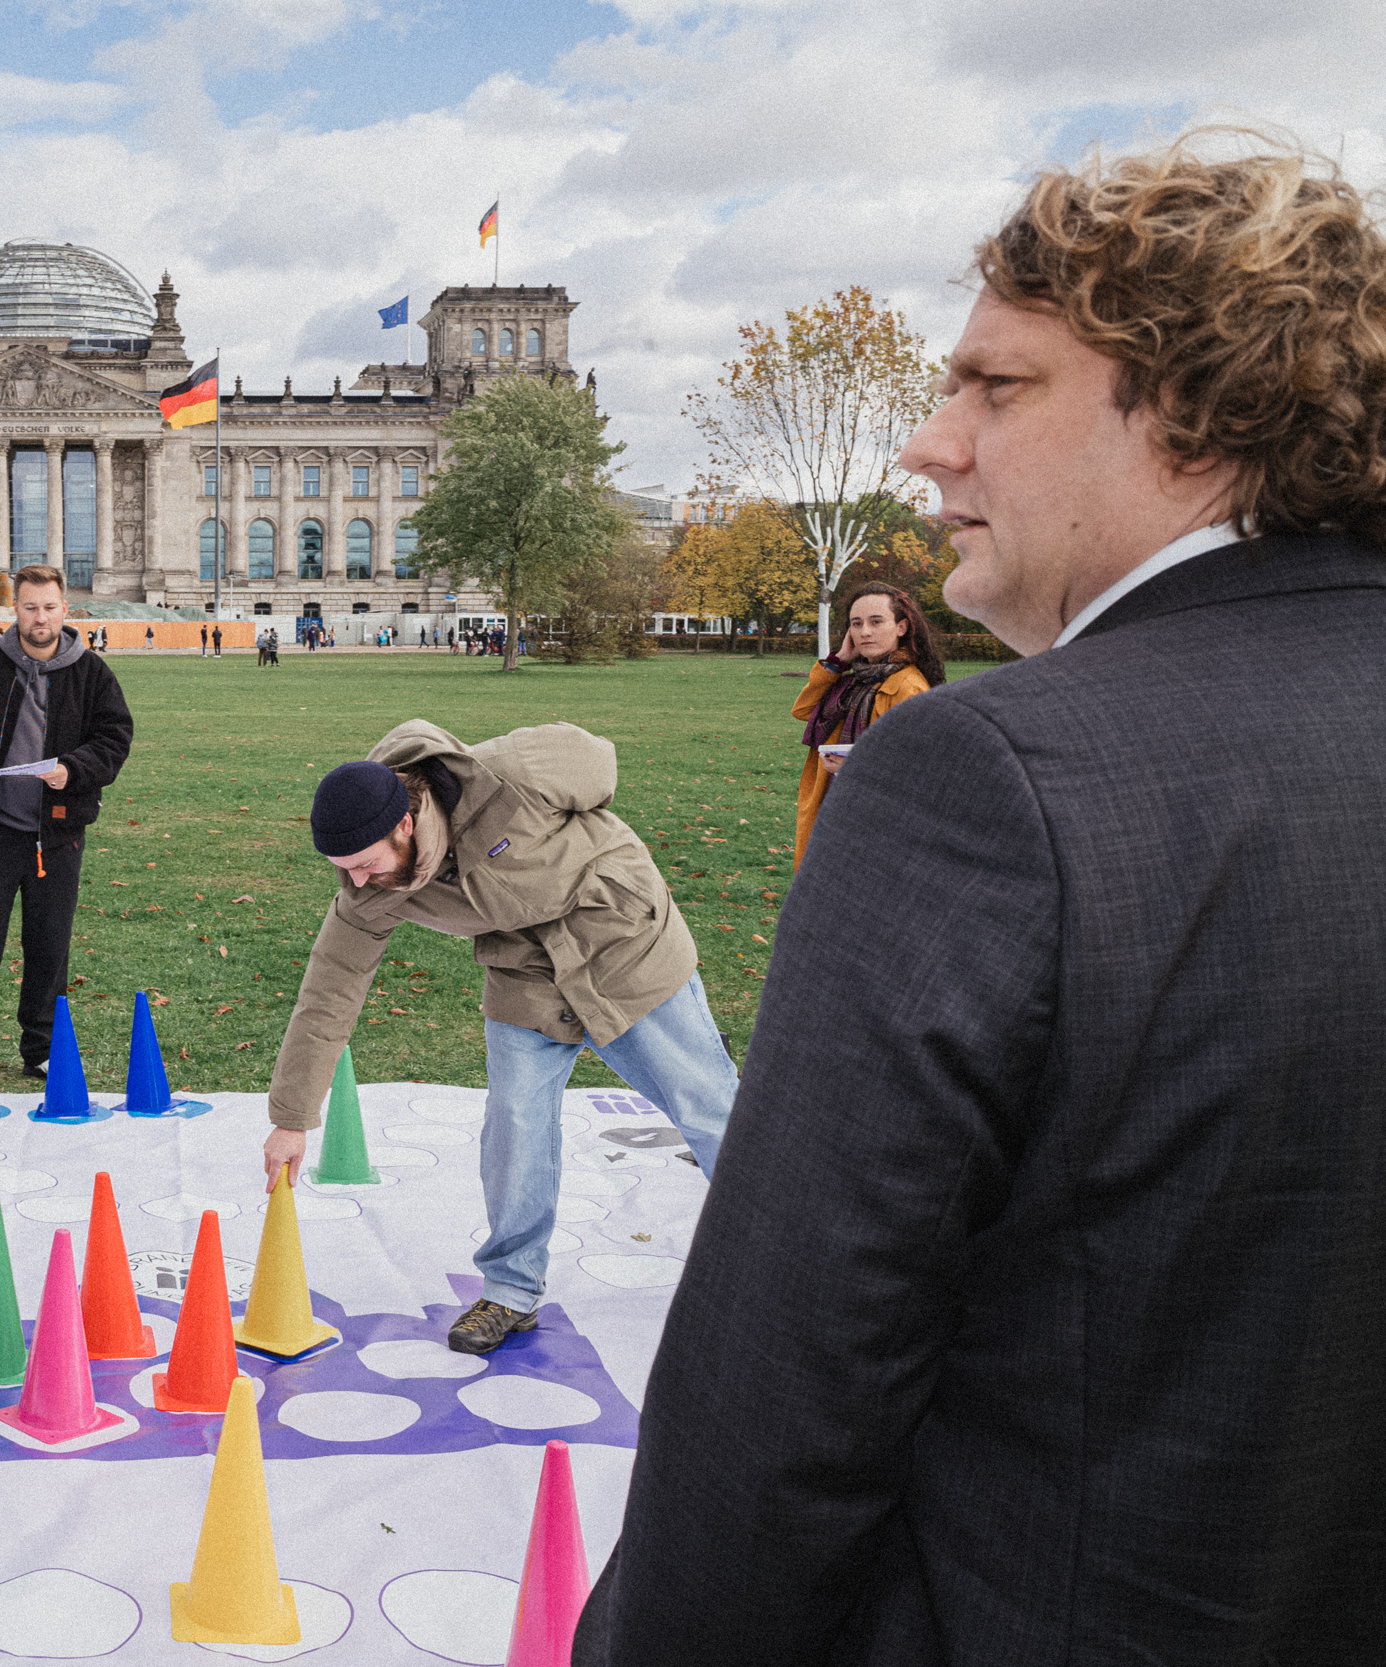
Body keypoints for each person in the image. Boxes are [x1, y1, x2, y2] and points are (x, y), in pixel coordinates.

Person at [577, 132, 1386, 1664]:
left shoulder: (991, 778)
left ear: (1202, 415)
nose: (929, 444)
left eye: (997, 387)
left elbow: (781, 1398)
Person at [259, 726, 739, 1355]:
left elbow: (599, 763)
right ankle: (511, 1289)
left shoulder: (508, 776)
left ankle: (791, 1260)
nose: (357, 884)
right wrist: (292, 1118)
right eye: (343, 871)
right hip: (524, 968)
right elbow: (329, 992)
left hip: (621, 942)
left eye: (365, 865)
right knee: (515, 1119)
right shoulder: (368, 890)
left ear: (405, 825)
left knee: (708, 1109)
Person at [0, 564, 133, 1087]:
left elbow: (113, 739)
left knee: (49, 945)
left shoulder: (92, 673)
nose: (39, 617)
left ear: (65, 610)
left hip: (57, 837)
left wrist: (74, 770)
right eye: (29, 607)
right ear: (14, 609)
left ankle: (41, 1047)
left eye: (48, 607)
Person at [788, 581, 944, 868]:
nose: (865, 632)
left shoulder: (908, 687)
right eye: (856, 624)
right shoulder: (852, 679)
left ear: (901, 627)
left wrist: (854, 767)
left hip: (875, 821)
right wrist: (838, 661)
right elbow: (803, 710)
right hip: (834, 803)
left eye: (876, 621)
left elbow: (918, 771)